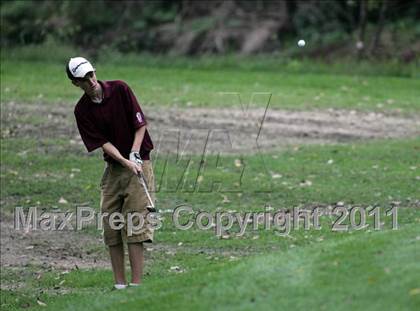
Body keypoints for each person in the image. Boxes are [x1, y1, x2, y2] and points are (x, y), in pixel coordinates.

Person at [66, 57, 155, 290]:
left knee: (136, 222)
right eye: (84, 79)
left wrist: (134, 153)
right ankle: (119, 285)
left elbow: (140, 124)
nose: (91, 80)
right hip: (115, 167)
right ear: (76, 83)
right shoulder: (82, 110)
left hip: (139, 162)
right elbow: (103, 143)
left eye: (91, 74)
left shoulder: (120, 89)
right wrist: (125, 161)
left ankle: (136, 286)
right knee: (111, 223)